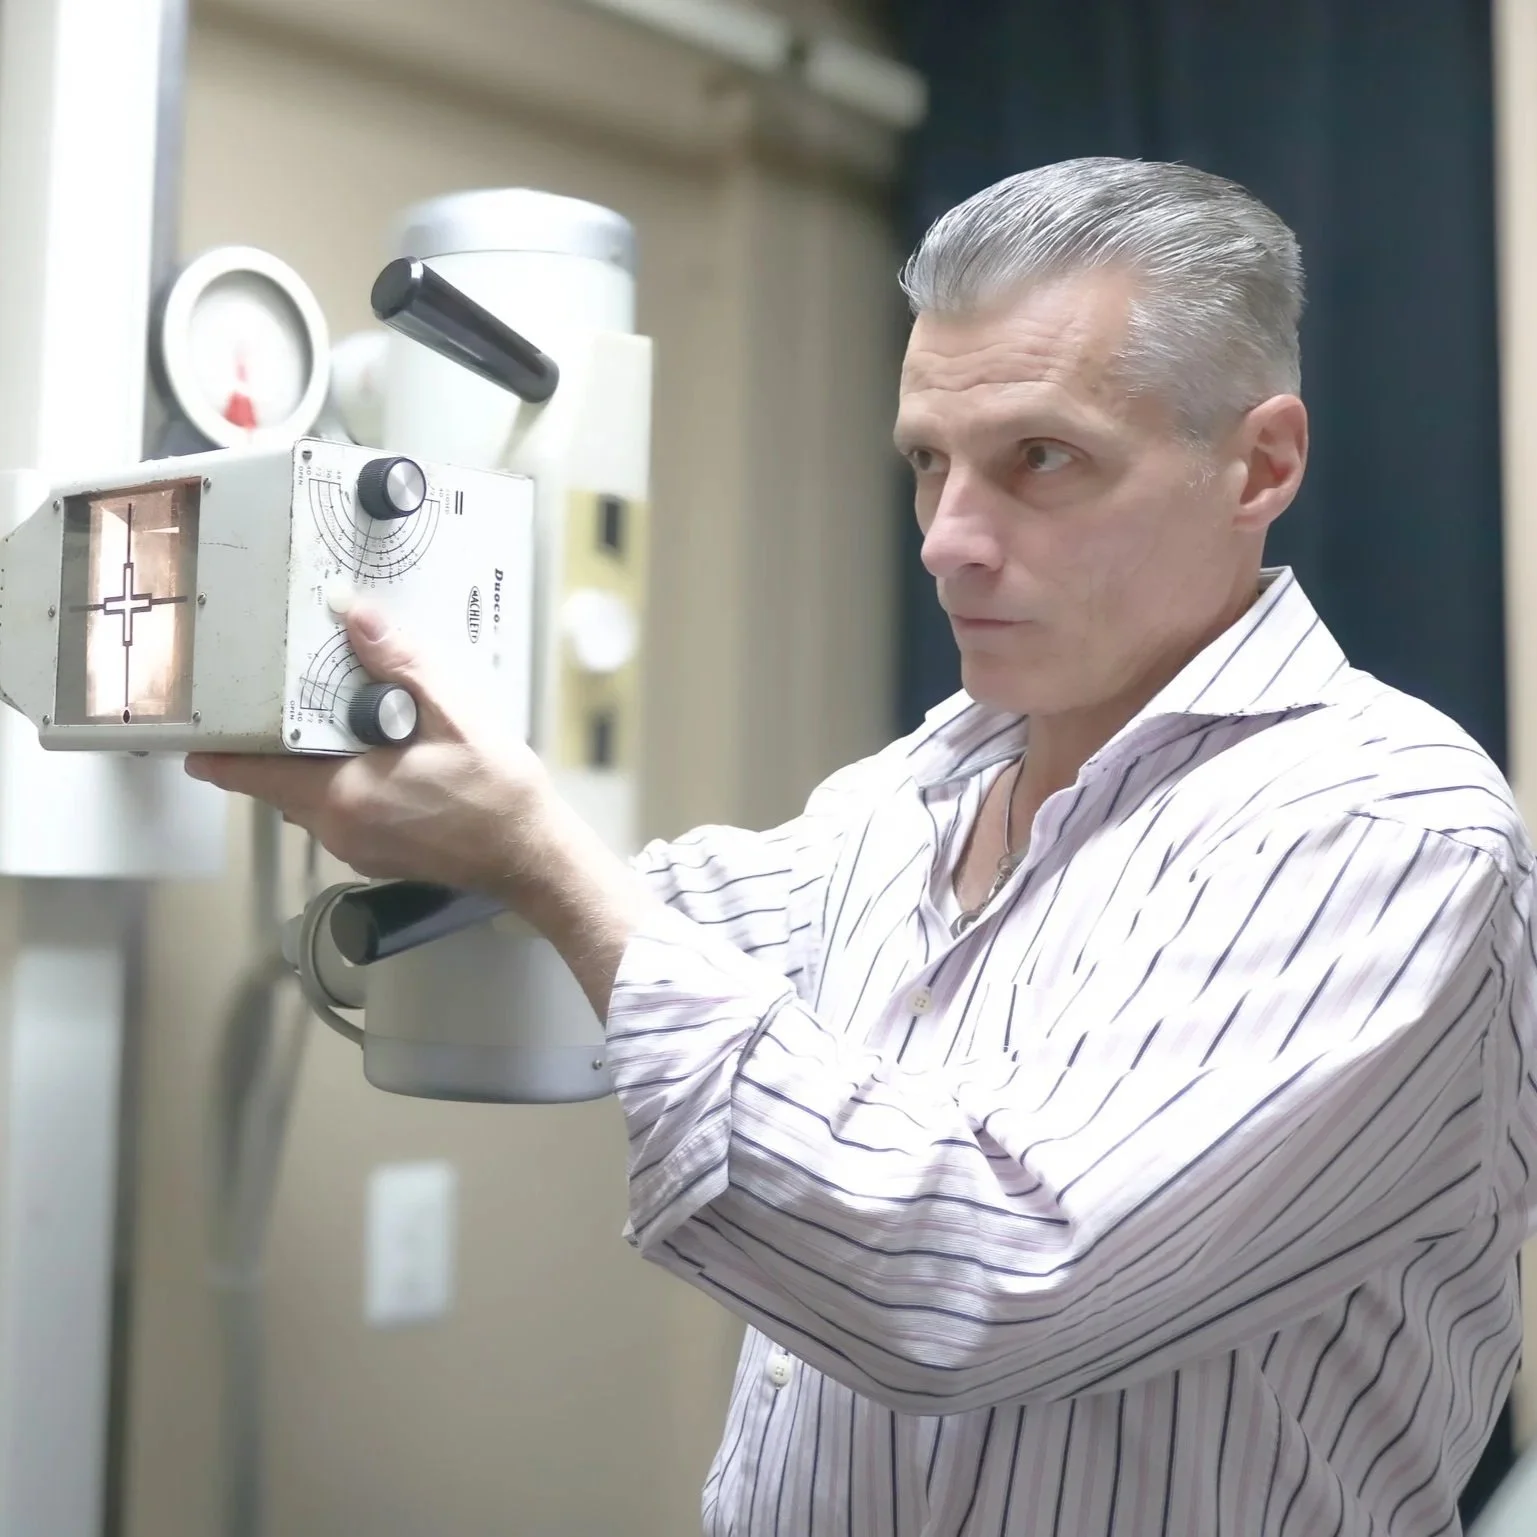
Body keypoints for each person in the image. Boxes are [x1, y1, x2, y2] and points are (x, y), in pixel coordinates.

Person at [188, 157, 1537, 1536]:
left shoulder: (1384, 827)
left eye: (1042, 460)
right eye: (927, 464)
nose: (951, 540)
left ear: (1259, 464)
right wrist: (375, 755)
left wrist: (540, 854)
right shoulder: (928, 784)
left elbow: (976, 1280)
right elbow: (670, 926)